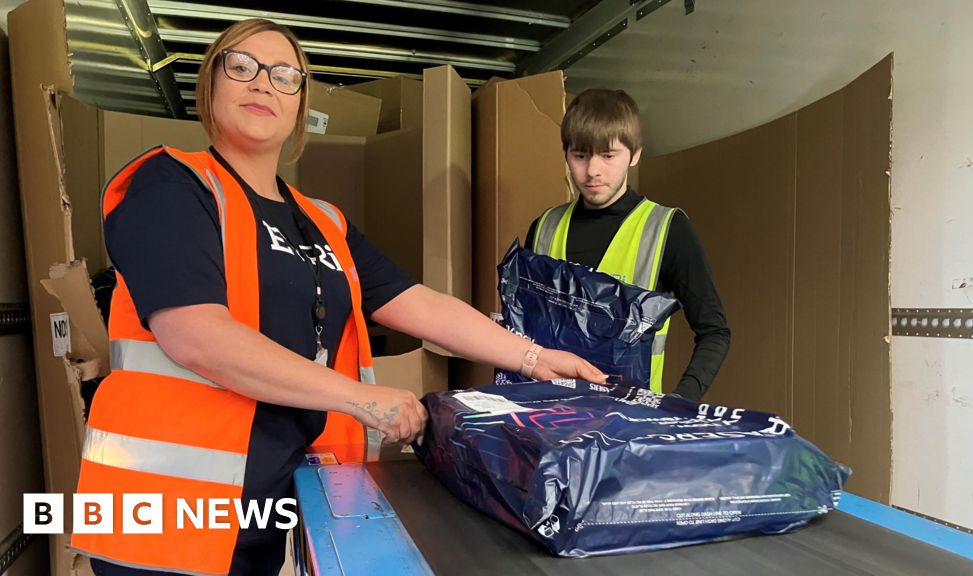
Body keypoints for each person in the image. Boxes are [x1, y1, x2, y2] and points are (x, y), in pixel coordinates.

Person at [73, 19, 605, 576]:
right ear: (210, 86)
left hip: (261, 507)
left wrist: (535, 357)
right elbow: (196, 335)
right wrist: (360, 399)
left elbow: (414, 300)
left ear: (301, 103)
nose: (262, 84)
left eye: (284, 75)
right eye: (241, 66)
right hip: (165, 510)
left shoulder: (321, 221)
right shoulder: (172, 185)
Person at [525, 89, 730, 400]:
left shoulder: (667, 230)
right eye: (580, 155)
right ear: (565, 153)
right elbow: (520, 332)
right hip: (549, 419)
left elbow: (714, 332)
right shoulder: (544, 228)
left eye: (608, 155)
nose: (592, 170)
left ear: (635, 155)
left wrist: (679, 403)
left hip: (631, 428)